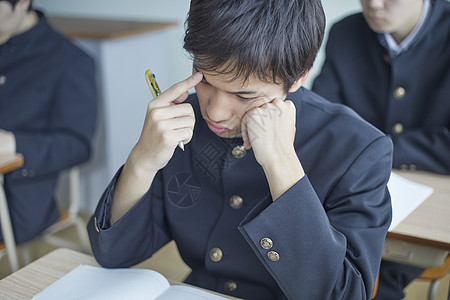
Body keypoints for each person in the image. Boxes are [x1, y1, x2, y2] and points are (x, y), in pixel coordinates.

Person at [87, 1, 393, 299]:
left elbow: (344, 293)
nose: (215, 112)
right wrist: (142, 161)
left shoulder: (358, 149)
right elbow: (113, 253)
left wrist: (281, 163)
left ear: (300, 76)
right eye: (203, 79)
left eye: (245, 95)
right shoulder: (181, 121)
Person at [312, 0, 450, 299]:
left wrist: (374, 151)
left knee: (377, 282)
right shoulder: (346, 31)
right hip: (350, 192)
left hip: (430, 207)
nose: (373, 4)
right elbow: (321, 119)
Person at [0, 0, 97, 245]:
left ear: (22, 3)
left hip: (18, 197)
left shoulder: (69, 61)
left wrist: (12, 143)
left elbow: (77, 146)